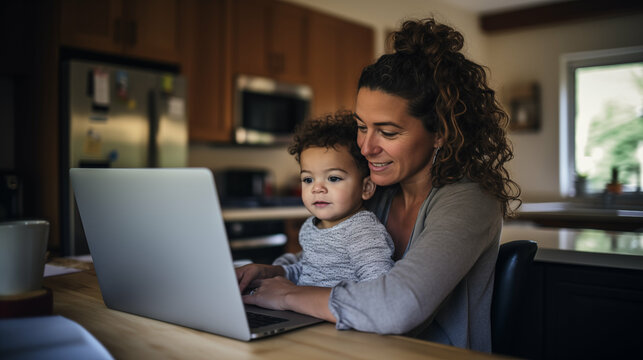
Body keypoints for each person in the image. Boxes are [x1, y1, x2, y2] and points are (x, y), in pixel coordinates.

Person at [237, 17, 521, 352]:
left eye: (387, 132)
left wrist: (288, 295)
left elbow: (397, 307)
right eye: (361, 126)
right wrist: (272, 273)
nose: (366, 147)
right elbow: (328, 261)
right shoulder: (377, 188)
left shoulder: (469, 200)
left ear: (440, 132)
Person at [237, 113, 394, 291]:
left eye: (333, 178)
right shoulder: (310, 228)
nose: (317, 188)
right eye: (308, 180)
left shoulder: (362, 232)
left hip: (337, 318)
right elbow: (306, 272)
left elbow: (378, 290)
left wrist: (295, 296)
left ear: (366, 188)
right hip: (305, 314)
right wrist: (273, 278)